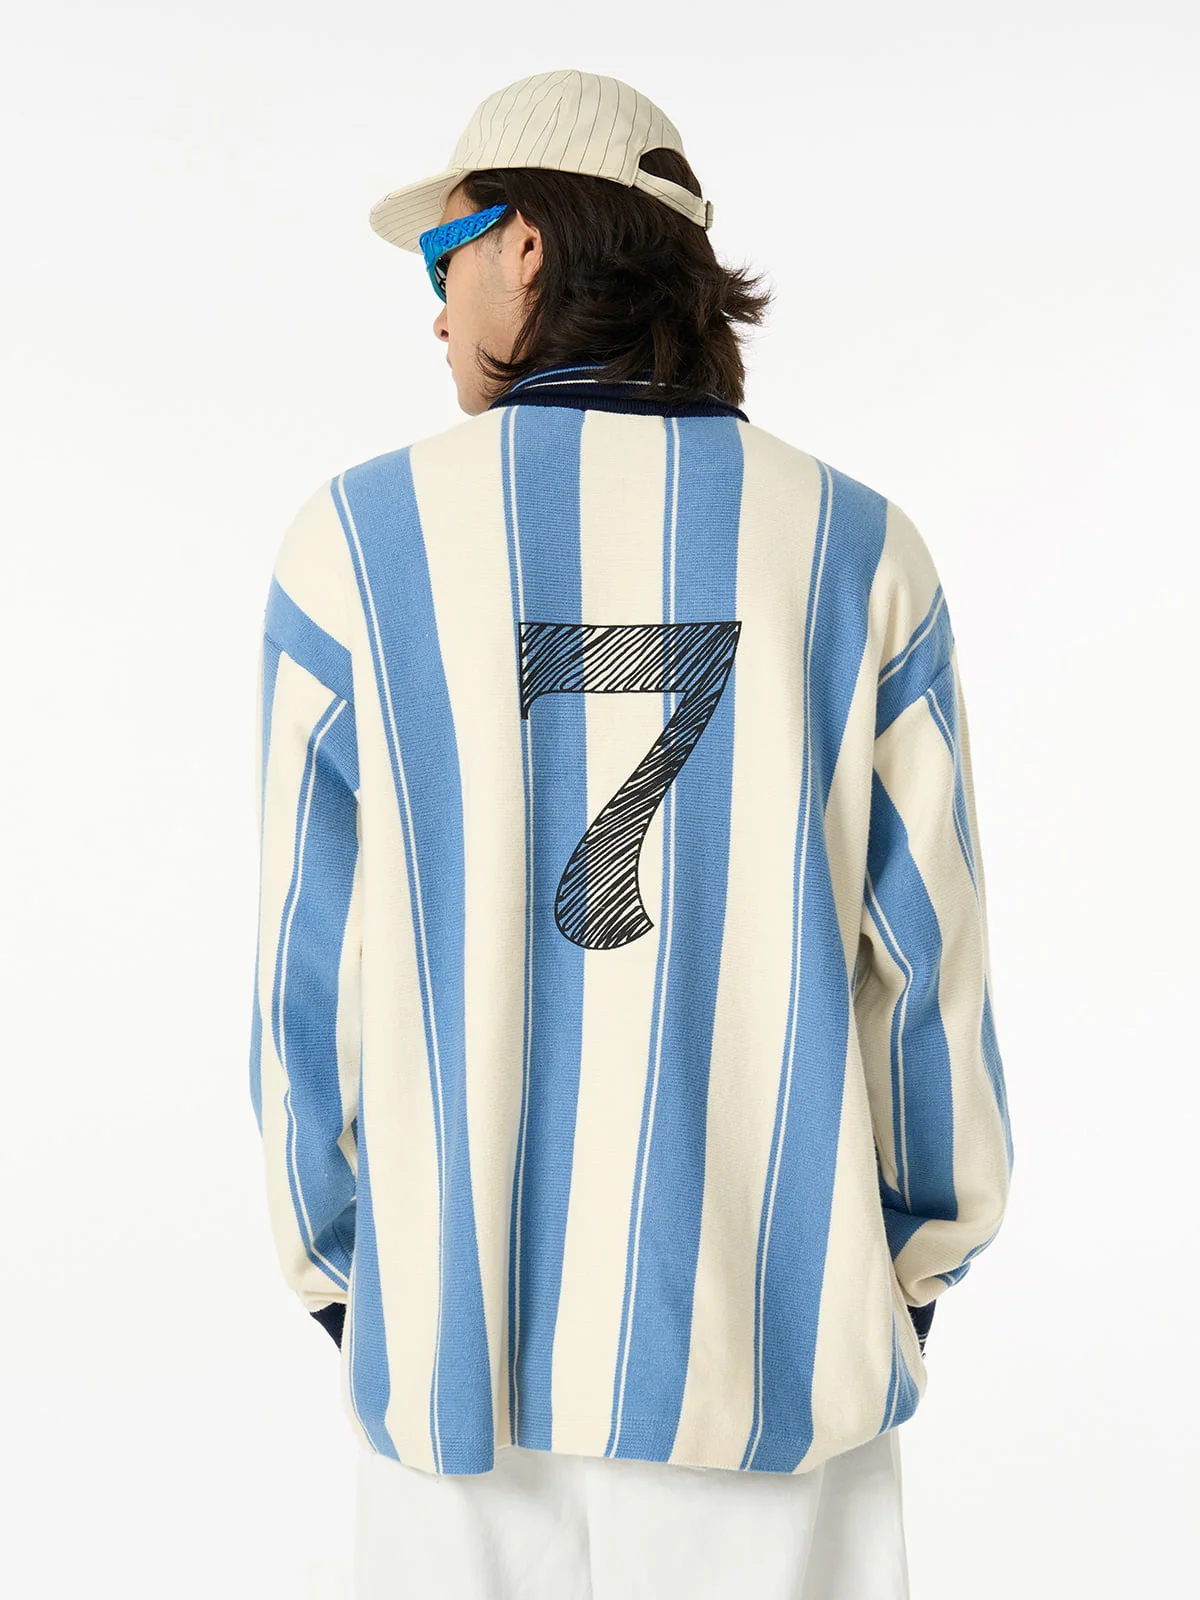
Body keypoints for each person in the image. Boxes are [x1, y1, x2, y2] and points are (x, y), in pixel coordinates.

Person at [248, 68, 1014, 1600]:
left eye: (443, 253)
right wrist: (898, 1275)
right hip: (777, 1355)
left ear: (524, 241)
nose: (435, 308)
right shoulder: (858, 548)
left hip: (459, 1364)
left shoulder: (358, 544)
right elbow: (927, 973)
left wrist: (358, 1279)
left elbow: (306, 982)